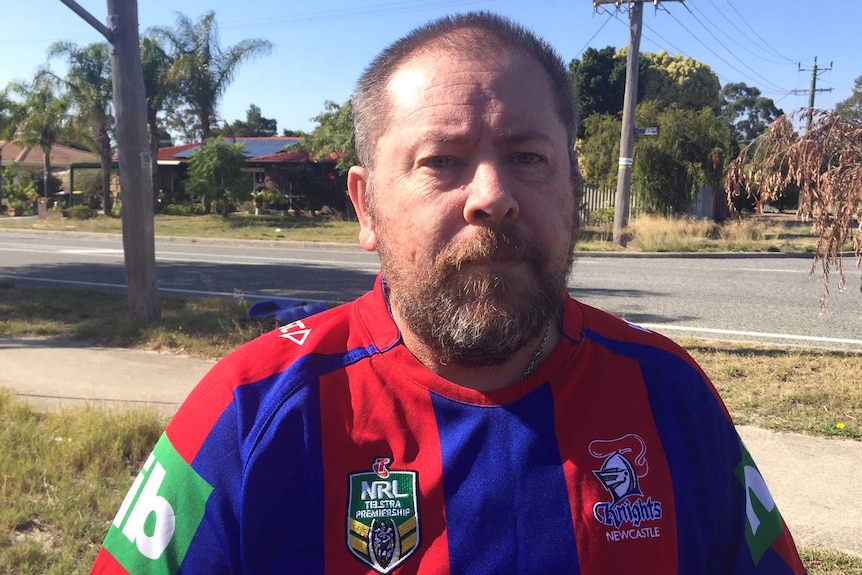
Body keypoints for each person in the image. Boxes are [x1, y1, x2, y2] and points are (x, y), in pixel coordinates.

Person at [91, 12, 805, 575]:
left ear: (574, 193)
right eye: (442, 161)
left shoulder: (670, 394)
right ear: (366, 207)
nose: (492, 196)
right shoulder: (249, 410)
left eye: (528, 157)